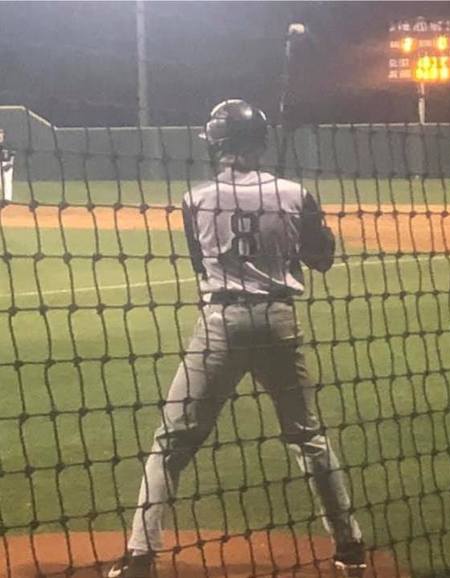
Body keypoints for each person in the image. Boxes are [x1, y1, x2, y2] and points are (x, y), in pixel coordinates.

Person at [107, 100, 366, 578]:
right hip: (279, 323)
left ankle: (140, 556)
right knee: (308, 438)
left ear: (216, 145)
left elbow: (199, 264)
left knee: (171, 443)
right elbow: (323, 259)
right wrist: (306, 225)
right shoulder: (295, 194)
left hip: (220, 324)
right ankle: (350, 548)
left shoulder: (195, 199)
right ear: (261, 143)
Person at [0, 129, 15, 202]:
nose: (0, 134)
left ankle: (8, 199)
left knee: (8, 181)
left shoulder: (8, 144)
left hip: (7, 163)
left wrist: (10, 164)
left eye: (1, 132)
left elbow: (12, 155)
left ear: (3, 134)